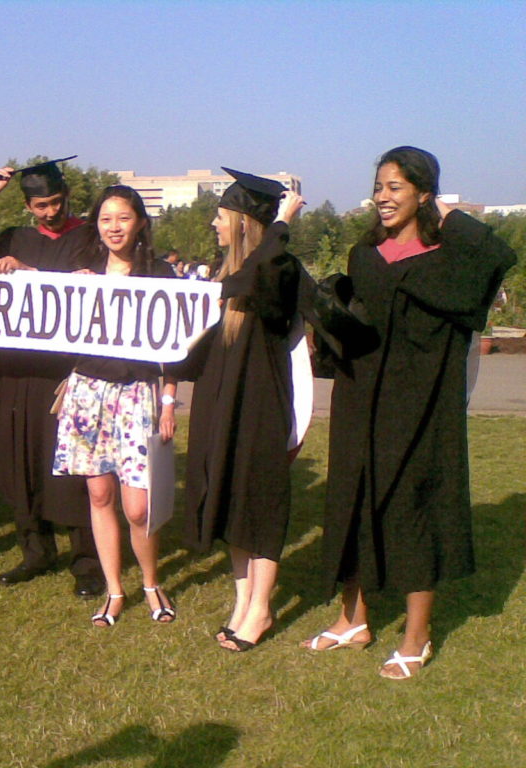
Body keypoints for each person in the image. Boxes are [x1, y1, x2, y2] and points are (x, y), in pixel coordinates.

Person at [303, 146, 515, 678]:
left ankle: (417, 636)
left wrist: (447, 214)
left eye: (396, 187)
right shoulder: (365, 256)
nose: (382, 197)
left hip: (422, 407)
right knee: (351, 498)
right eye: (378, 186)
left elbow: (496, 253)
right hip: (360, 400)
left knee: (413, 508)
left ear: (423, 192)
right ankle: (353, 618)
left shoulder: (451, 263)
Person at [175, 169, 306, 652]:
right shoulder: (223, 274)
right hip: (222, 404)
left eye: (221, 214)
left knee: (260, 504)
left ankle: (263, 609)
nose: (213, 223)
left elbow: (257, 279)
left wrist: (281, 225)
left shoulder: (279, 268)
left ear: (246, 222)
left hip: (260, 407)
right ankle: (243, 602)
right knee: (230, 501)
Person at [0, 159, 104, 598]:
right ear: (28, 206)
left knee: (71, 463)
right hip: (15, 370)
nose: (50, 212)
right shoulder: (14, 239)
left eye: (55, 202)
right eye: (40, 205)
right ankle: (35, 551)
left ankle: (86, 561)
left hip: (65, 369)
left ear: (66, 196)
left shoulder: (88, 237)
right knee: (21, 459)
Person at [52, 185, 178, 626]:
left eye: (123, 218)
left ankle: (150, 581)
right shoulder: (82, 272)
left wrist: (168, 401)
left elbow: (174, 349)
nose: (114, 227)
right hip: (87, 391)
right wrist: (73, 291)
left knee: (139, 506)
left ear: (140, 222)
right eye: (106, 219)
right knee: (99, 493)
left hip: (137, 393)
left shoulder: (160, 274)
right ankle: (113, 589)